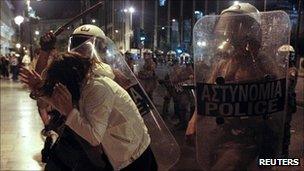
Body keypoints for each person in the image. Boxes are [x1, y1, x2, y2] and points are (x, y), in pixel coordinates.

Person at [21, 27, 158, 170]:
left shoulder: (102, 78)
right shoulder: (72, 71)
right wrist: (40, 83)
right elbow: (53, 97)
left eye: (84, 45)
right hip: (88, 142)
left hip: (124, 152)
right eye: (76, 44)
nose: (80, 51)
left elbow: (95, 133)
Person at [187, 3, 287, 170]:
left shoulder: (262, 61)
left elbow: (275, 94)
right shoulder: (224, 62)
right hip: (225, 132)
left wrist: (252, 57)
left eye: (237, 26)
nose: (232, 32)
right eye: (230, 26)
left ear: (250, 29)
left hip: (252, 136)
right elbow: (207, 94)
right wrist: (193, 121)